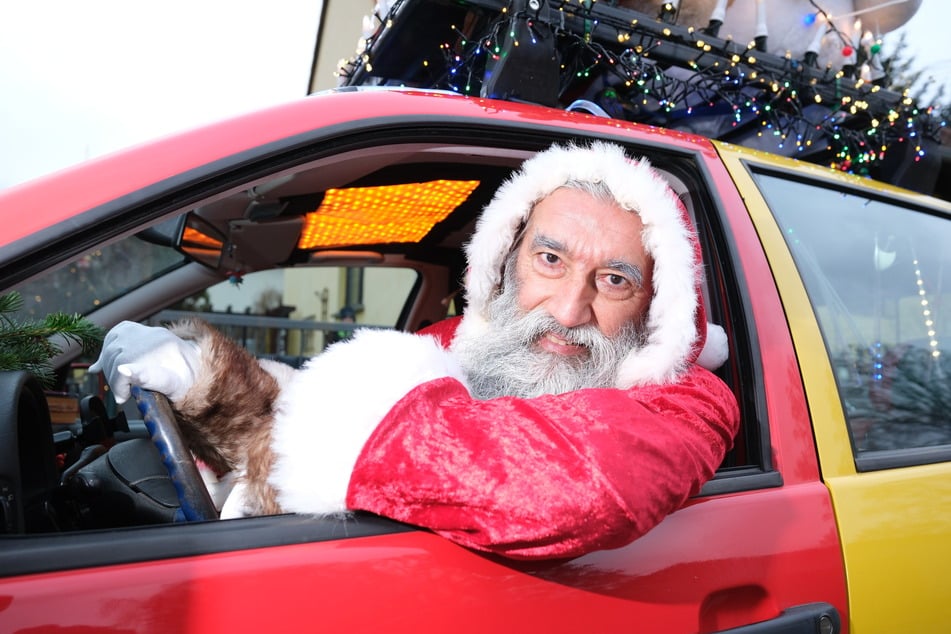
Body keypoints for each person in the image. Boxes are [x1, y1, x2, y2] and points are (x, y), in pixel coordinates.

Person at [91, 141, 739, 560]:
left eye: (615, 280)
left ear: (656, 305)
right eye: (550, 259)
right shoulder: (456, 345)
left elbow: (577, 491)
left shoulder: (686, 402)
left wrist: (274, 437)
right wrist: (203, 375)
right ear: (506, 261)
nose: (570, 310)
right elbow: (324, 399)